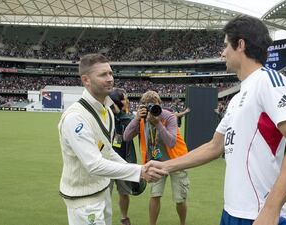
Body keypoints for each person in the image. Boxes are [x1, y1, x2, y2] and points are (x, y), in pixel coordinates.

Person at [146, 15, 286, 225]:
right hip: (231, 213)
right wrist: (166, 166)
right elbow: (213, 147)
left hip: (259, 215)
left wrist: (272, 209)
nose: (222, 52)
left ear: (241, 45)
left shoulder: (269, 81)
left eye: (226, 45)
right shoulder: (236, 99)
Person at [58, 54, 166, 225]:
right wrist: (139, 172)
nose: (110, 79)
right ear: (86, 80)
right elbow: (94, 164)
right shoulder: (75, 118)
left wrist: (139, 169)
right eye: (102, 75)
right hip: (84, 200)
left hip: (102, 192)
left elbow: (108, 152)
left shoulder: (106, 110)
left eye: (110, 73)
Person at [123, 91, 189, 225]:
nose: (151, 109)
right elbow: (126, 137)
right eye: (147, 106)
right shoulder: (141, 119)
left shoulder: (169, 117)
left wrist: (157, 123)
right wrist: (136, 119)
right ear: (142, 106)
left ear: (160, 104)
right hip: (156, 162)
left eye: (154, 105)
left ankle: (183, 223)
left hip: (177, 160)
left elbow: (171, 142)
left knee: (180, 198)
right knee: (155, 195)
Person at [109, 88, 142, 225]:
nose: (127, 101)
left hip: (124, 161)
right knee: (104, 193)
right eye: (123, 98)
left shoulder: (127, 117)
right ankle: (103, 218)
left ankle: (124, 217)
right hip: (107, 162)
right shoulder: (107, 115)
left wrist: (120, 113)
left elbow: (131, 122)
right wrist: (115, 113)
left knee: (124, 192)